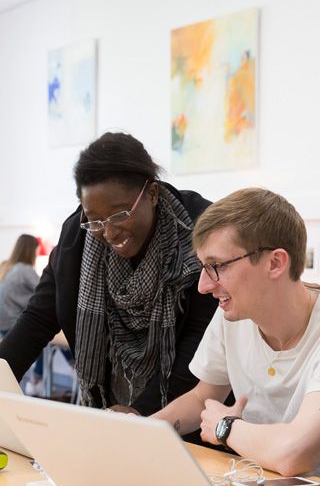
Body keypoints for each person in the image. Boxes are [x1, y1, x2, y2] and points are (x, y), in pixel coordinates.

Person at [0, 132, 218, 416]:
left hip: (189, 414)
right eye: (95, 220)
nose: (109, 232)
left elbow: (200, 341)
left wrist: (140, 412)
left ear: (151, 194)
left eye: (119, 214)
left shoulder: (199, 233)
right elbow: (38, 319)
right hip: (110, 413)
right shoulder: (75, 241)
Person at [152, 188, 320, 476]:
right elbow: (202, 398)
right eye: (204, 267)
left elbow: (295, 453)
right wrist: (136, 433)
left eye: (216, 266)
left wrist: (225, 427)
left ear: (275, 263)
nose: (204, 286)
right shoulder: (233, 316)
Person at [0, 234, 39, 336]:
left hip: (2, 325)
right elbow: (44, 290)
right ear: (31, 250)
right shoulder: (25, 270)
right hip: (13, 326)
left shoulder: (5, 266)